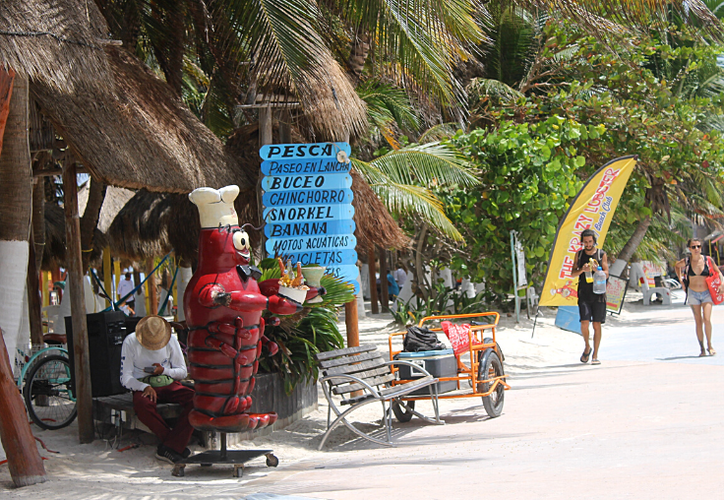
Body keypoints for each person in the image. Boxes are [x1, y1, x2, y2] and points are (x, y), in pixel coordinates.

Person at [120, 315, 194, 464]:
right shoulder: (130, 341)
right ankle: (174, 444)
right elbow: (125, 378)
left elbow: (182, 371)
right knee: (143, 406)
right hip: (142, 383)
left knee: (196, 400)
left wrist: (164, 371)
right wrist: (144, 386)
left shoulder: (171, 339)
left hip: (166, 381)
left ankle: (169, 446)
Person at [675, 238, 724, 357]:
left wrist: (722, 284)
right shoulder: (686, 261)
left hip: (706, 293)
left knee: (707, 319)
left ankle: (710, 345)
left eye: (698, 246)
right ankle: (701, 348)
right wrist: (681, 280)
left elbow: (719, 273)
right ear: (689, 249)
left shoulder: (708, 260)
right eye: (693, 247)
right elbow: (677, 266)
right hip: (693, 293)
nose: (696, 249)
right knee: (698, 321)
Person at [570, 229, 608, 365]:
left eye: (590, 242)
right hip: (584, 293)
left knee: (596, 324)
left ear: (594, 241)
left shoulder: (601, 254)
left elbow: (607, 273)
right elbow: (573, 273)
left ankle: (595, 355)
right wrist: (582, 270)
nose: (588, 244)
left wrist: (597, 269)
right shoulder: (579, 255)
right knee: (584, 323)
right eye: (585, 242)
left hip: (598, 294)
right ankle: (587, 345)